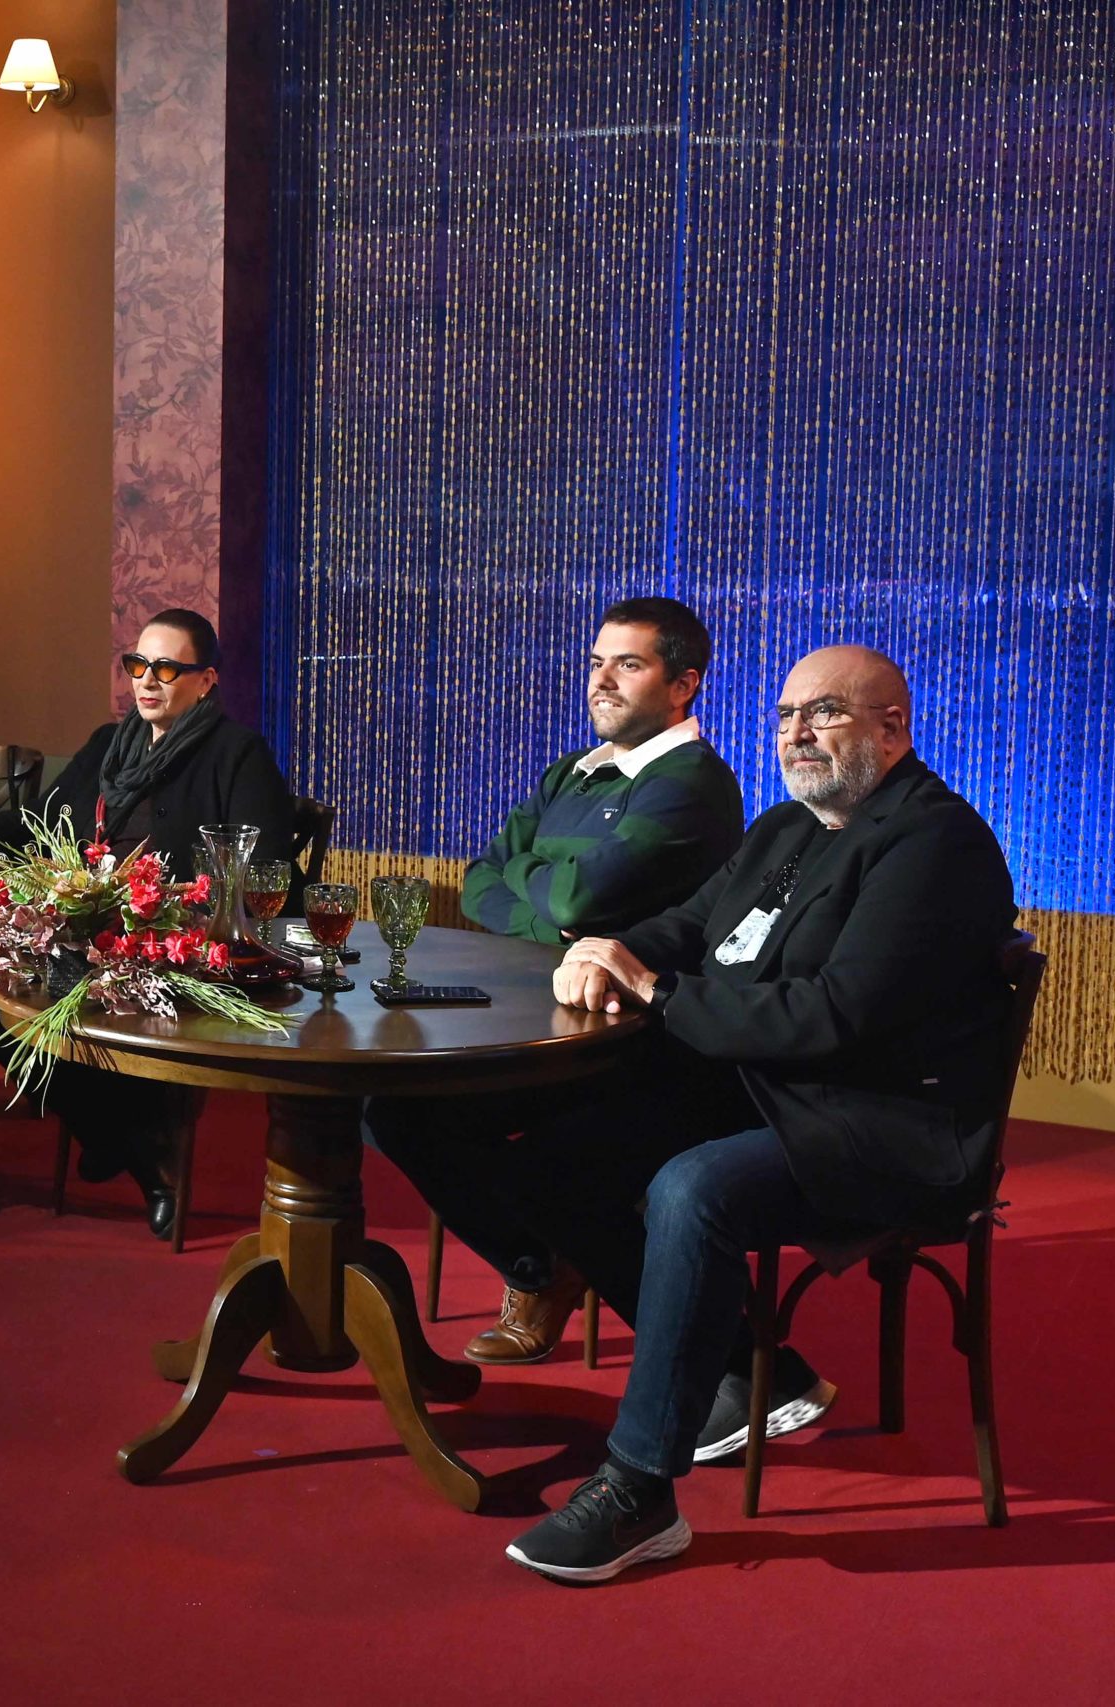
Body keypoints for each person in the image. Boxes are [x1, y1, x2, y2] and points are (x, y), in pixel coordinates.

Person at [499, 646, 1016, 1583]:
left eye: (825, 713)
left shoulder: (936, 843)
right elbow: (692, 927)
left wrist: (656, 991)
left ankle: (640, 1490)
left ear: (892, 728)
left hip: (885, 1123)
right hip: (772, 1088)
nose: (796, 733)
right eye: (785, 715)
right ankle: (738, 1367)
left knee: (693, 1188)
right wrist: (610, 949)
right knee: (557, 1156)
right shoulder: (788, 825)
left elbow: (835, 1015)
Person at [368, 597, 745, 1364]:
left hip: (633, 1044)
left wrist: (539, 881)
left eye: (628, 664)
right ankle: (539, 1261)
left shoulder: (692, 783)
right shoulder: (572, 771)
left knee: (460, 1129)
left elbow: (577, 899)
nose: (601, 679)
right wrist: (553, 904)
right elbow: (481, 881)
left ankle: (556, 1260)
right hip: (535, 1015)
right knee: (389, 1107)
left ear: (683, 685)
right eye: (596, 662)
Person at [0, 608, 291, 1237]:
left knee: (67, 992)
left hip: (172, 939)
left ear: (206, 680)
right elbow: (41, 815)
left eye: (167, 668)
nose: (147, 681)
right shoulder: (110, 743)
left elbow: (264, 868)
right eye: (139, 664)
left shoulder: (237, 753)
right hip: (86, 927)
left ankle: (139, 1158)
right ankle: (126, 1142)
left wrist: (170, 902)